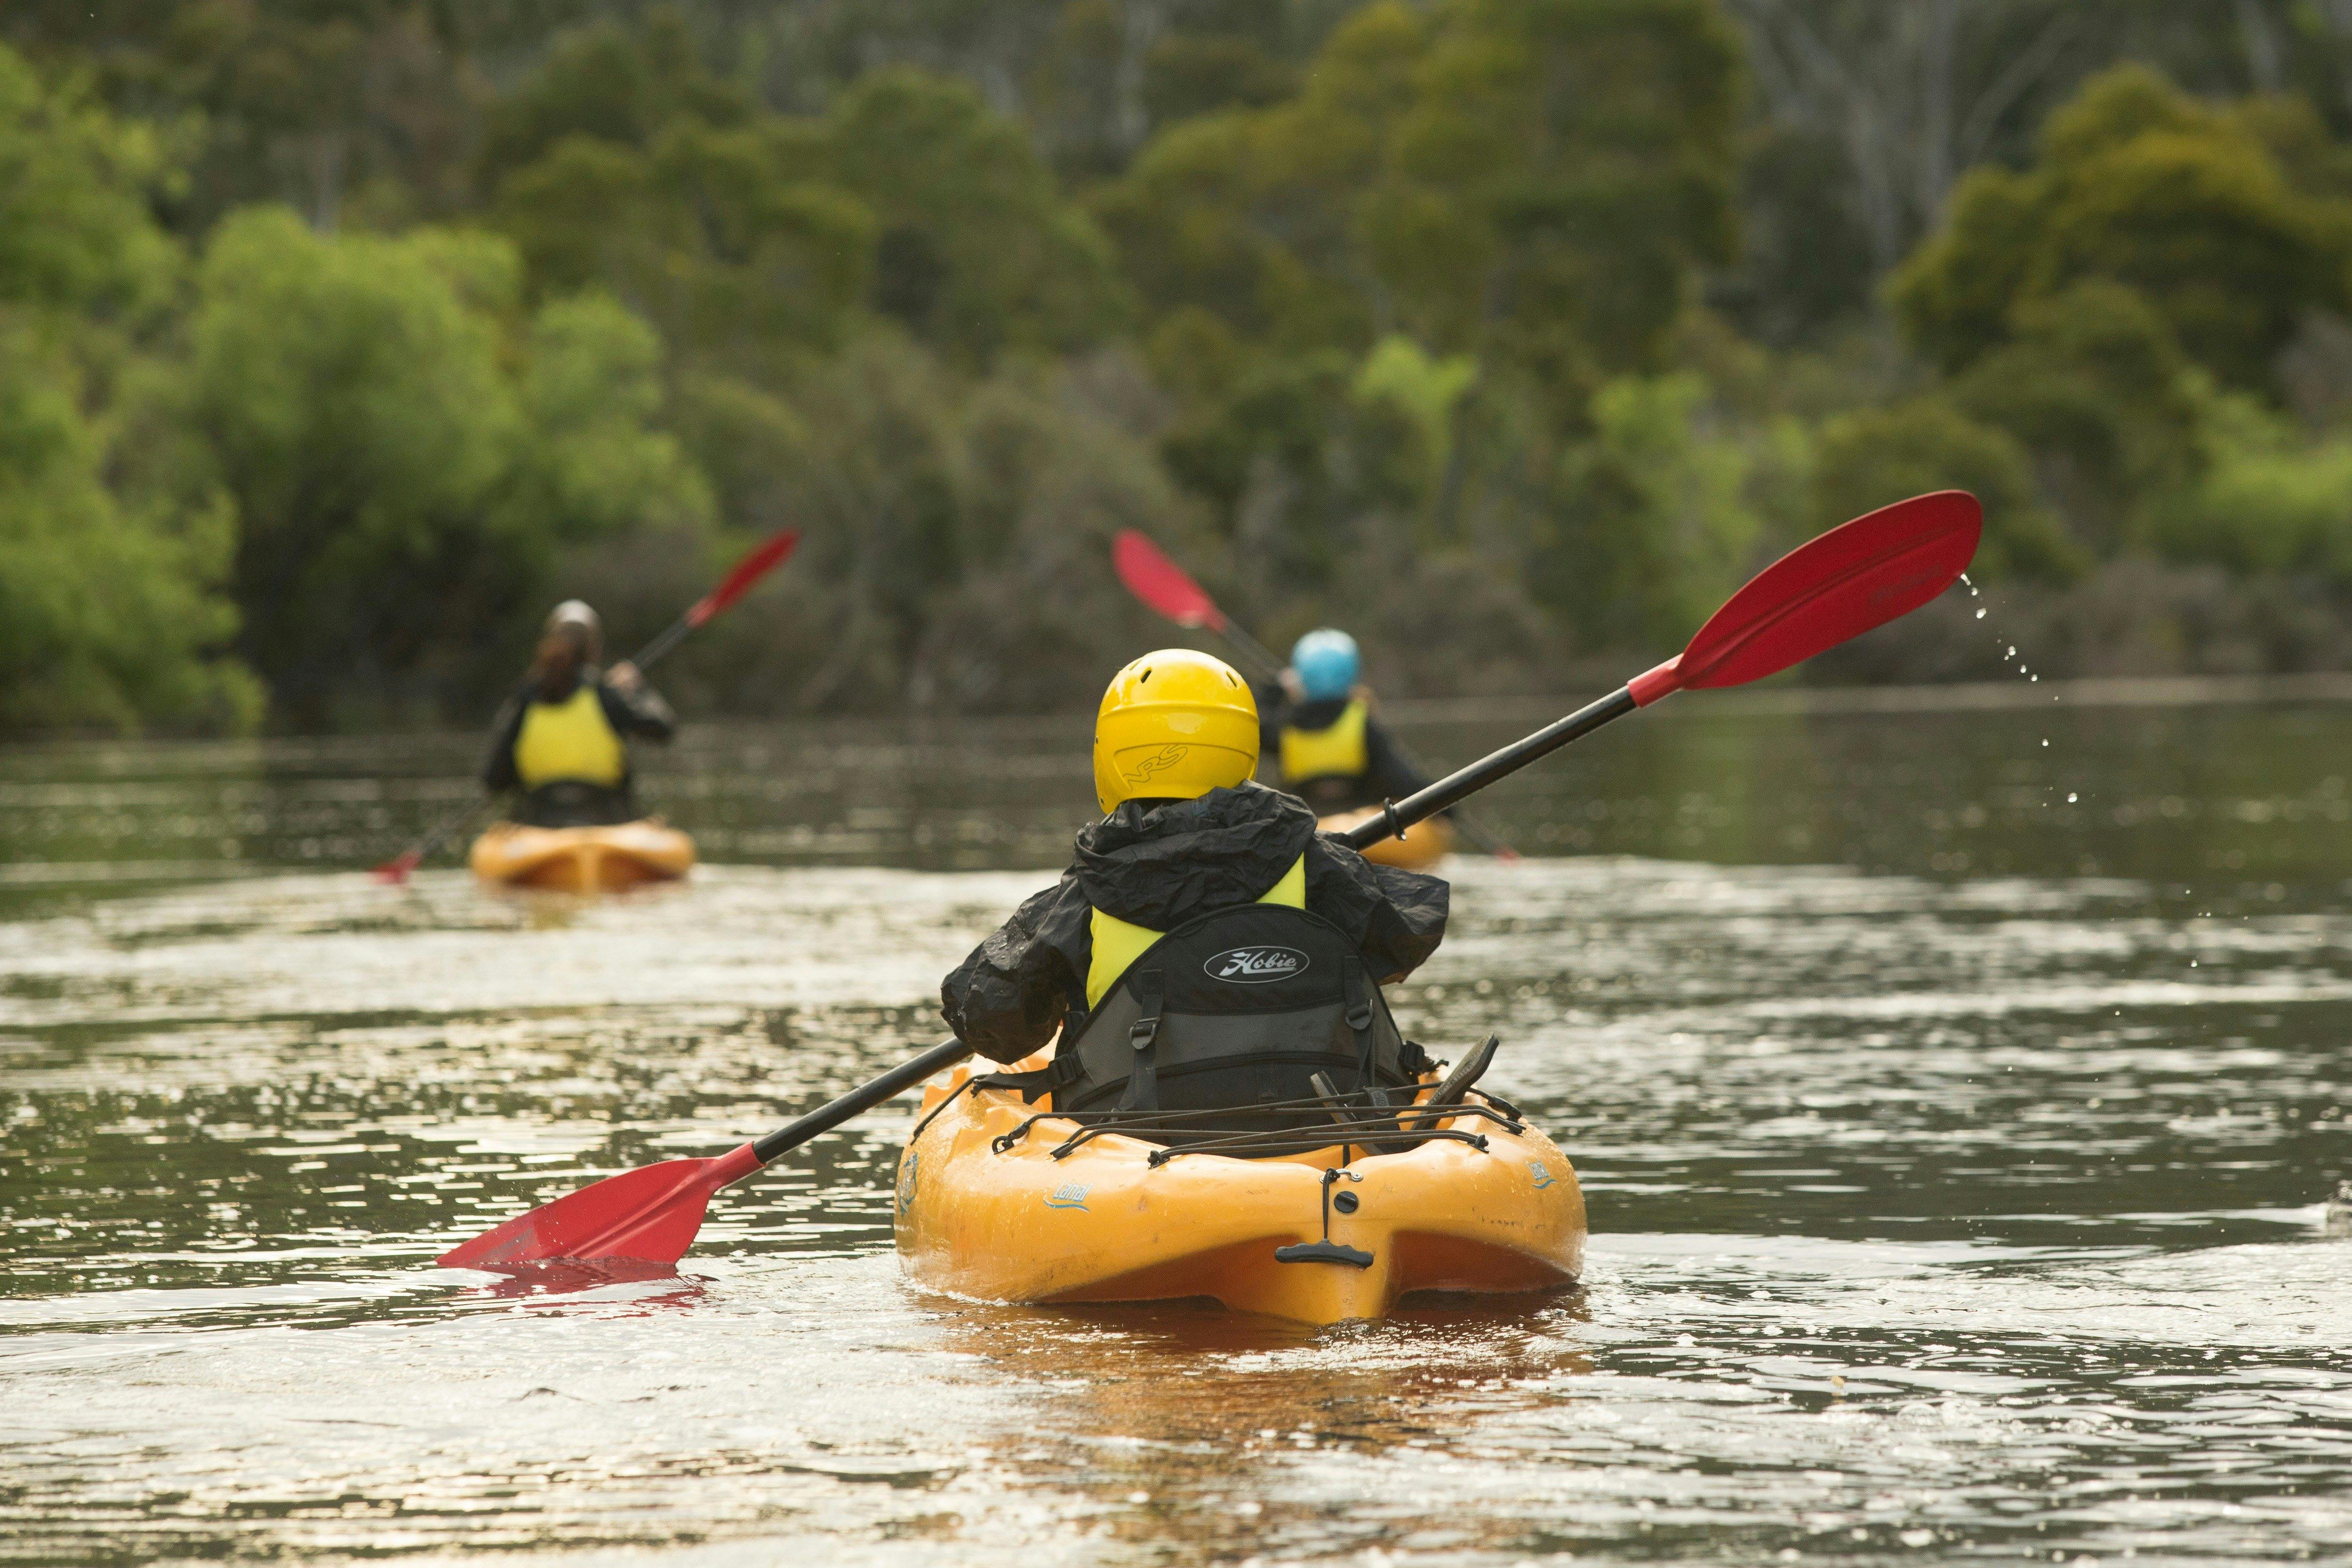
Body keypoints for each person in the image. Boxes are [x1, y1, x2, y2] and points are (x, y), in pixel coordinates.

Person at [940, 648, 1449, 1135]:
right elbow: (1404, 938)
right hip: (1313, 1129)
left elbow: (990, 1020)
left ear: (1112, 752)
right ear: (1243, 748)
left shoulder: (1086, 890)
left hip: (1138, 1140)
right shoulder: (1316, 866)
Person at [481, 600, 676, 829]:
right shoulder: (606, 695)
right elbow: (664, 729)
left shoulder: (525, 698)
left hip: (539, 823)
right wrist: (637, 690)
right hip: (607, 822)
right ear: (594, 647)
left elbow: (494, 779)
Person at [1266, 628, 1428, 815]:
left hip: (1307, 830)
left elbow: (1258, 723)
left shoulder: (1286, 727)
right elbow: (1402, 780)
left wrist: (1274, 689)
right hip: (1360, 835)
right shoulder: (1362, 723)